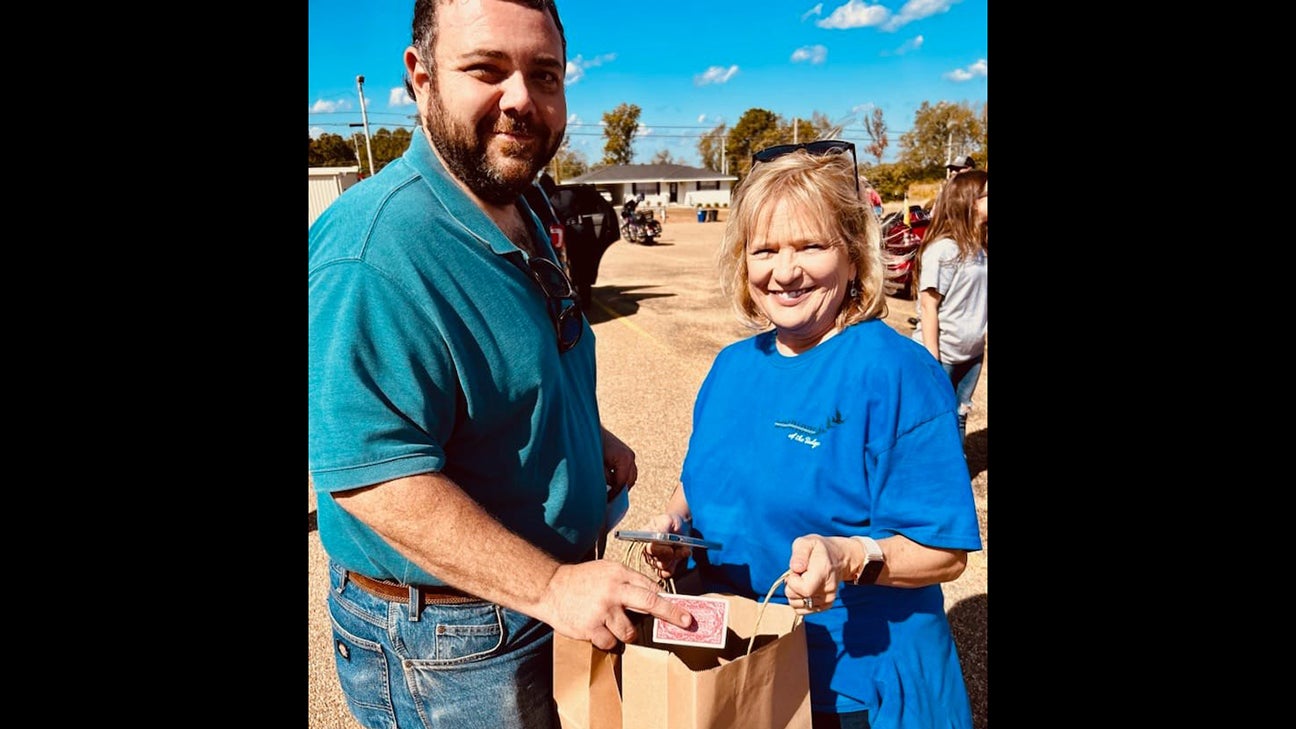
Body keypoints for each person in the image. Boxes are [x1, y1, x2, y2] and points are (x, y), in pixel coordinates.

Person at [307, 2, 694, 728]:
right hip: (459, 644)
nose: (521, 99)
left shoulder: (518, 196)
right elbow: (370, 474)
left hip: (536, 601)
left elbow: (520, 358)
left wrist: (581, 435)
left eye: (543, 74)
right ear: (419, 78)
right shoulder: (375, 250)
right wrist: (551, 585)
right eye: (486, 69)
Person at [642, 141, 983, 729]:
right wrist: (676, 529)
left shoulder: (896, 371)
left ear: (853, 255)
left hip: (854, 687)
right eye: (765, 249)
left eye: (811, 246)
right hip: (736, 664)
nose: (785, 271)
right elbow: (701, 480)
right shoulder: (732, 365)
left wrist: (848, 555)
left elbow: (944, 553)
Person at [911, 170, 987, 445]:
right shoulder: (944, 249)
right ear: (970, 200)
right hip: (942, 354)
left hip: (972, 354)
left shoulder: (980, 249)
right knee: (933, 418)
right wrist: (933, 358)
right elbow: (928, 305)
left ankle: (954, 474)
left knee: (959, 414)